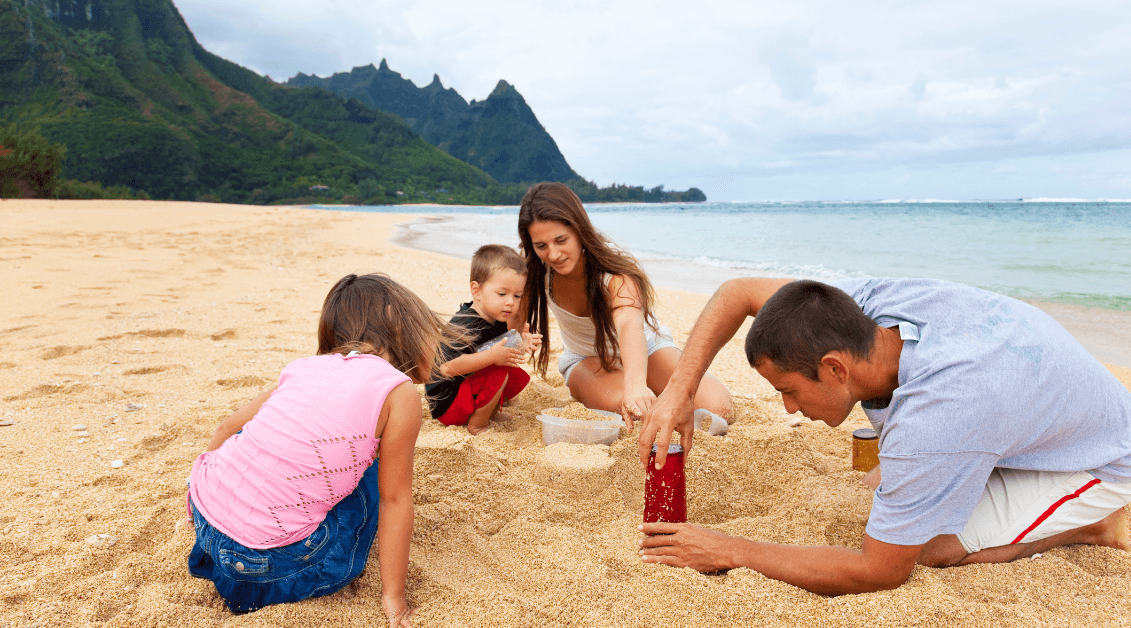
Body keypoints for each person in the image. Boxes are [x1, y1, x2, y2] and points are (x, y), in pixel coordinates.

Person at [637, 277, 1131, 595]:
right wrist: (678, 391)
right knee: (883, 492)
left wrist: (732, 550)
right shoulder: (861, 306)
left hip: (1098, 456)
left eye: (790, 390)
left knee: (929, 548)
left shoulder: (940, 415)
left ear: (834, 367)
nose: (787, 407)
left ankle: (1096, 523)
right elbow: (738, 292)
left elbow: (879, 572)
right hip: (1021, 411)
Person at [187, 273, 455, 626]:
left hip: (207, 525)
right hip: (264, 572)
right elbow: (395, 501)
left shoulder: (301, 368)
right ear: (395, 318)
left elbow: (226, 428)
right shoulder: (398, 393)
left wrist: (201, 509)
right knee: (373, 473)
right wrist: (395, 598)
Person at [517, 181, 731, 427]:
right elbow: (509, 318)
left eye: (561, 240)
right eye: (541, 246)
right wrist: (516, 333)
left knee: (718, 406)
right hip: (586, 358)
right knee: (632, 411)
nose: (553, 255)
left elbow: (630, 326)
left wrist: (637, 384)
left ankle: (647, 389)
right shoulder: (533, 275)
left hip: (647, 348)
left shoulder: (615, 277)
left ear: (579, 230)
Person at [425, 244, 541, 434]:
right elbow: (446, 368)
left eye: (517, 295)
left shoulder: (494, 316)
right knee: (498, 372)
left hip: (464, 390)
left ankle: (490, 412)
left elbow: (496, 347)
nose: (510, 302)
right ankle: (477, 424)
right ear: (477, 291)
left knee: (511, 370)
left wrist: (522, 341)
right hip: (448, 405)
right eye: (502, 294)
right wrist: (492, 357)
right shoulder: (466, 325)